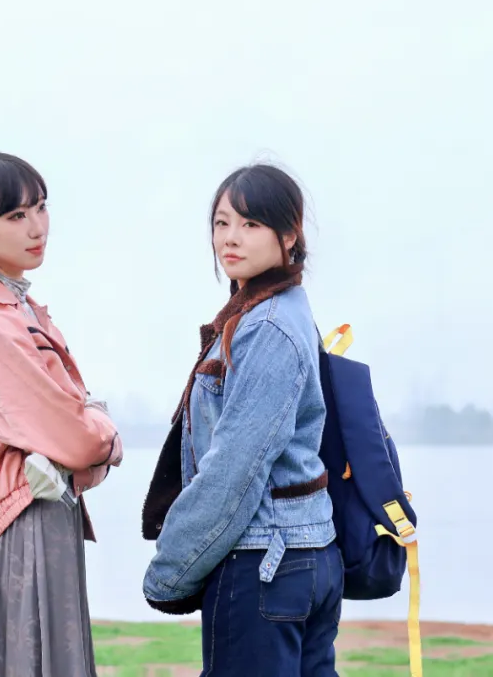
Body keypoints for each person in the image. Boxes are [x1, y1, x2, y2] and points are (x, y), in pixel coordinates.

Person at [141, 163, 343, 676]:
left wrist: (169, 571)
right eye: (221, 222)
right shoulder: (281, 311)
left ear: (290, 234)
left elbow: (235, 468)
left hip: (265, 561)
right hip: (303, 555)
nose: (230, 238)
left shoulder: (268, 326)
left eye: (251, 224)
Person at [0, 150, 122, 677]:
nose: (37, 227)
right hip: (25, 521)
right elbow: (79, 439)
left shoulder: (14, 308)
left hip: (35, 513)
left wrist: (86, 432)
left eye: (40, 207)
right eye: (16, 215)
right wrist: (106, 432)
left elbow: (69, 432)